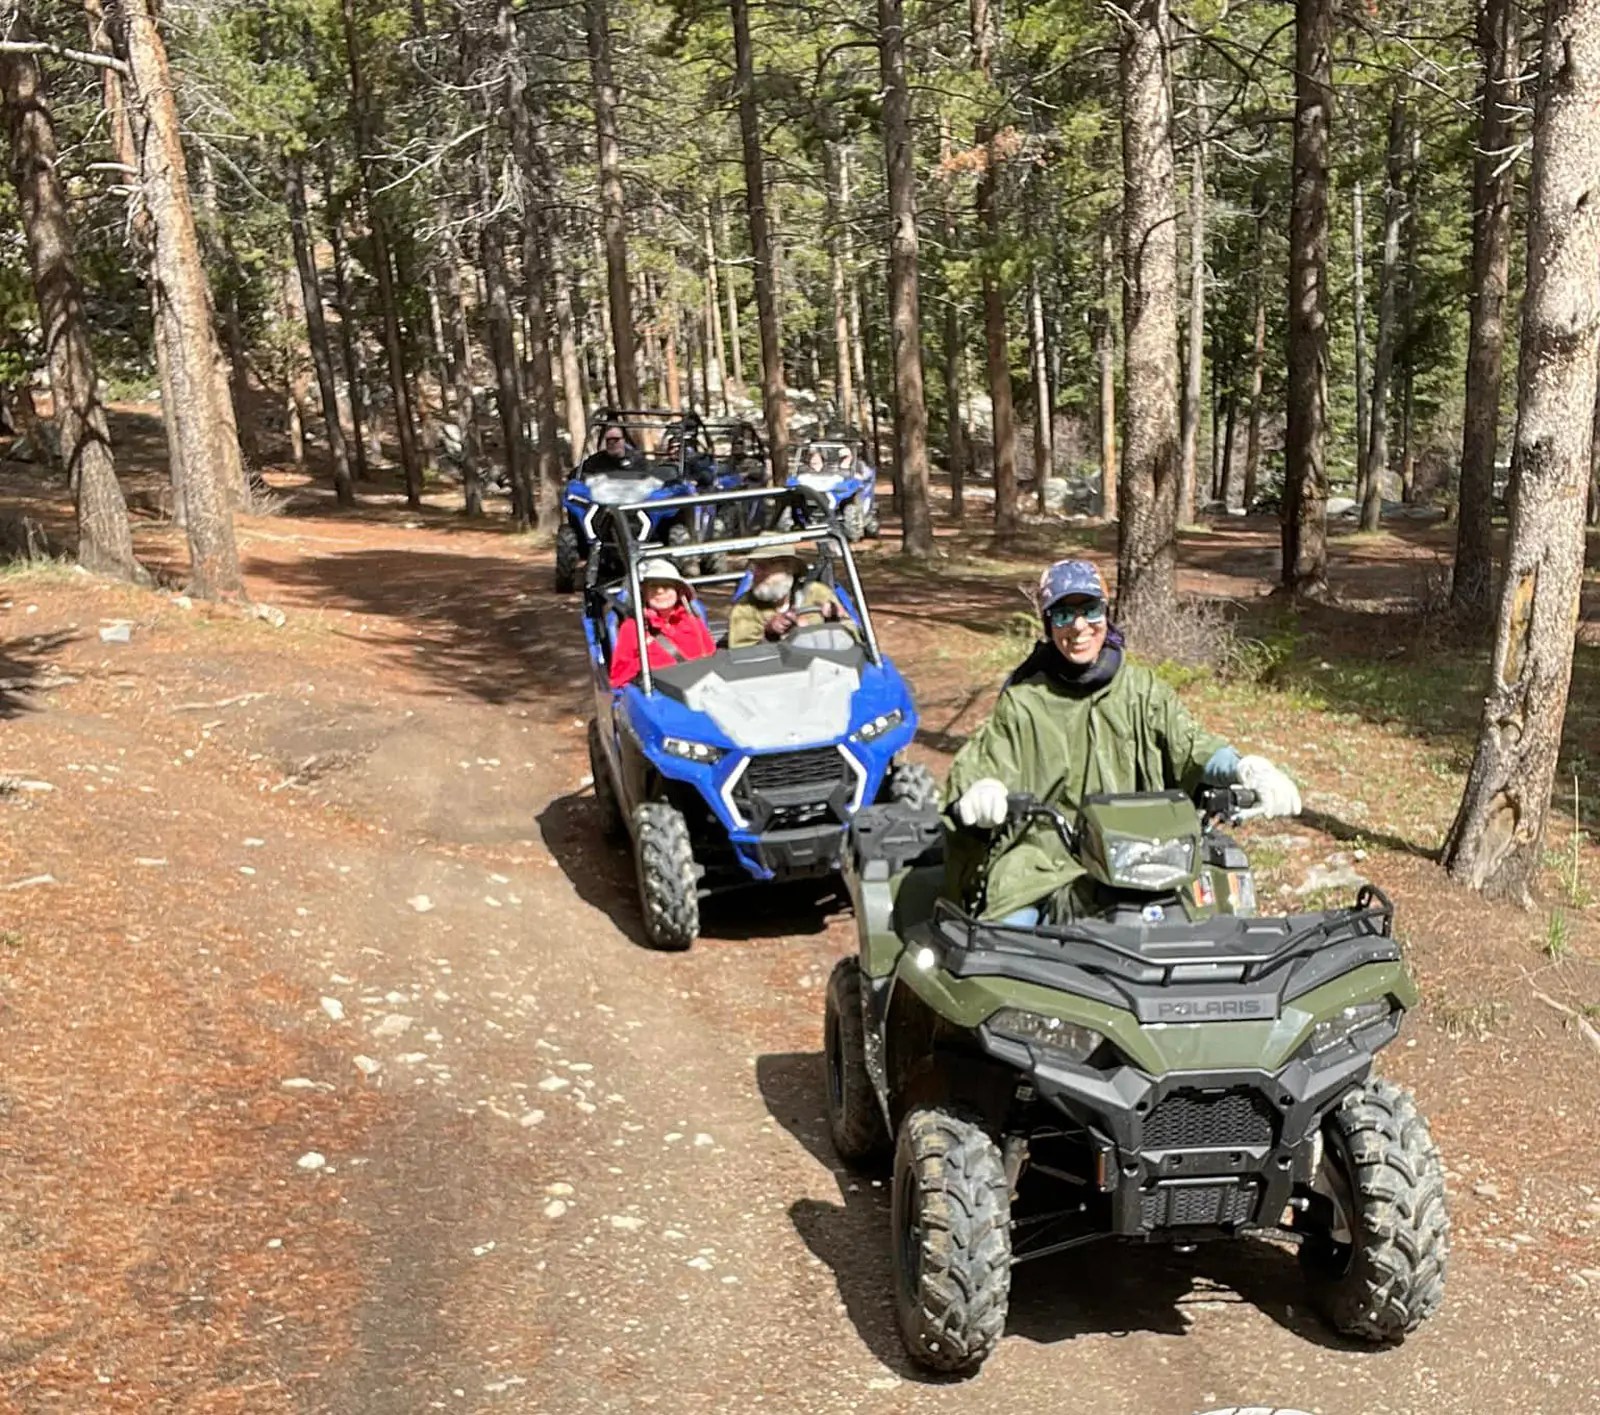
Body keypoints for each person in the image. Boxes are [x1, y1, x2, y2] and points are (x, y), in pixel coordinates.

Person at [943, 559, 1302, 922]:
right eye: (1064, 615)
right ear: (1049, 624)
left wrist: (1246, 768)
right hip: (1047, 859)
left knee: (1215, 922)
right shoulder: (1024, 701)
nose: (1079, 626)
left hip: (1145, 851)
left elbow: (1191, 744)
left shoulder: (1141, 690)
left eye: (1090, 610)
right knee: (1008, 944)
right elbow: (986, 762)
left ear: (1106, 613)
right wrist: (981, 791)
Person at [608, 558, 716, 688]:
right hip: (660, 696)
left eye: (666, 585)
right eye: (653, 586)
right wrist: (649, 667)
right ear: (644, 593)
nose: (660, 591)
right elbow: (619, 677)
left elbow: (712, 658)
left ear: (678, 591)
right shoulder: (632, 628)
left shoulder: (693, 621)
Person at [726, 544, 857, 649]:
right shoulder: (745, 607)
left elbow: (855, 639)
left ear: (790, 568)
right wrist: (769, 634)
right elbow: (741, 659)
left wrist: (834, 622)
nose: (757, 573)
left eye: (765, 566)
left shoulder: (817, 593)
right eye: (755, 566)